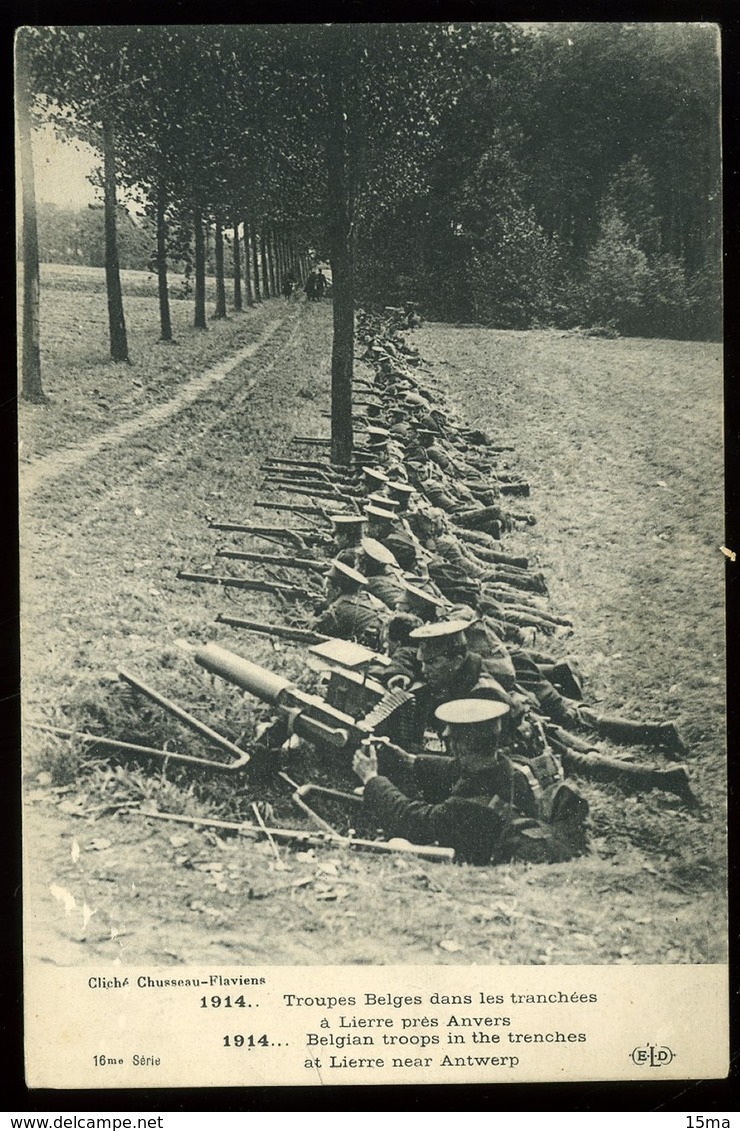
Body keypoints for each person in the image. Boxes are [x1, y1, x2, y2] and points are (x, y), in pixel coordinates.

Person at [406, 620, 697, 804]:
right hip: (529, 728)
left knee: (585, 764)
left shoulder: (480, 691)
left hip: (524, 747)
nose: (425, 669)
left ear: (456, 659)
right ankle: (665, 755)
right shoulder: (463, 674)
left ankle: (666, 777)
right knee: (585, 751)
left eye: (431, 663)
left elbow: (488, 753)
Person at [352, 699, 588, 865]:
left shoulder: (464, 809)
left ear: (459, 746)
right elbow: (457, 769)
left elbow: (413, 819)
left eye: (452, 741)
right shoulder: (507, 766)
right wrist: (411, 761)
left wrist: (372, 779)